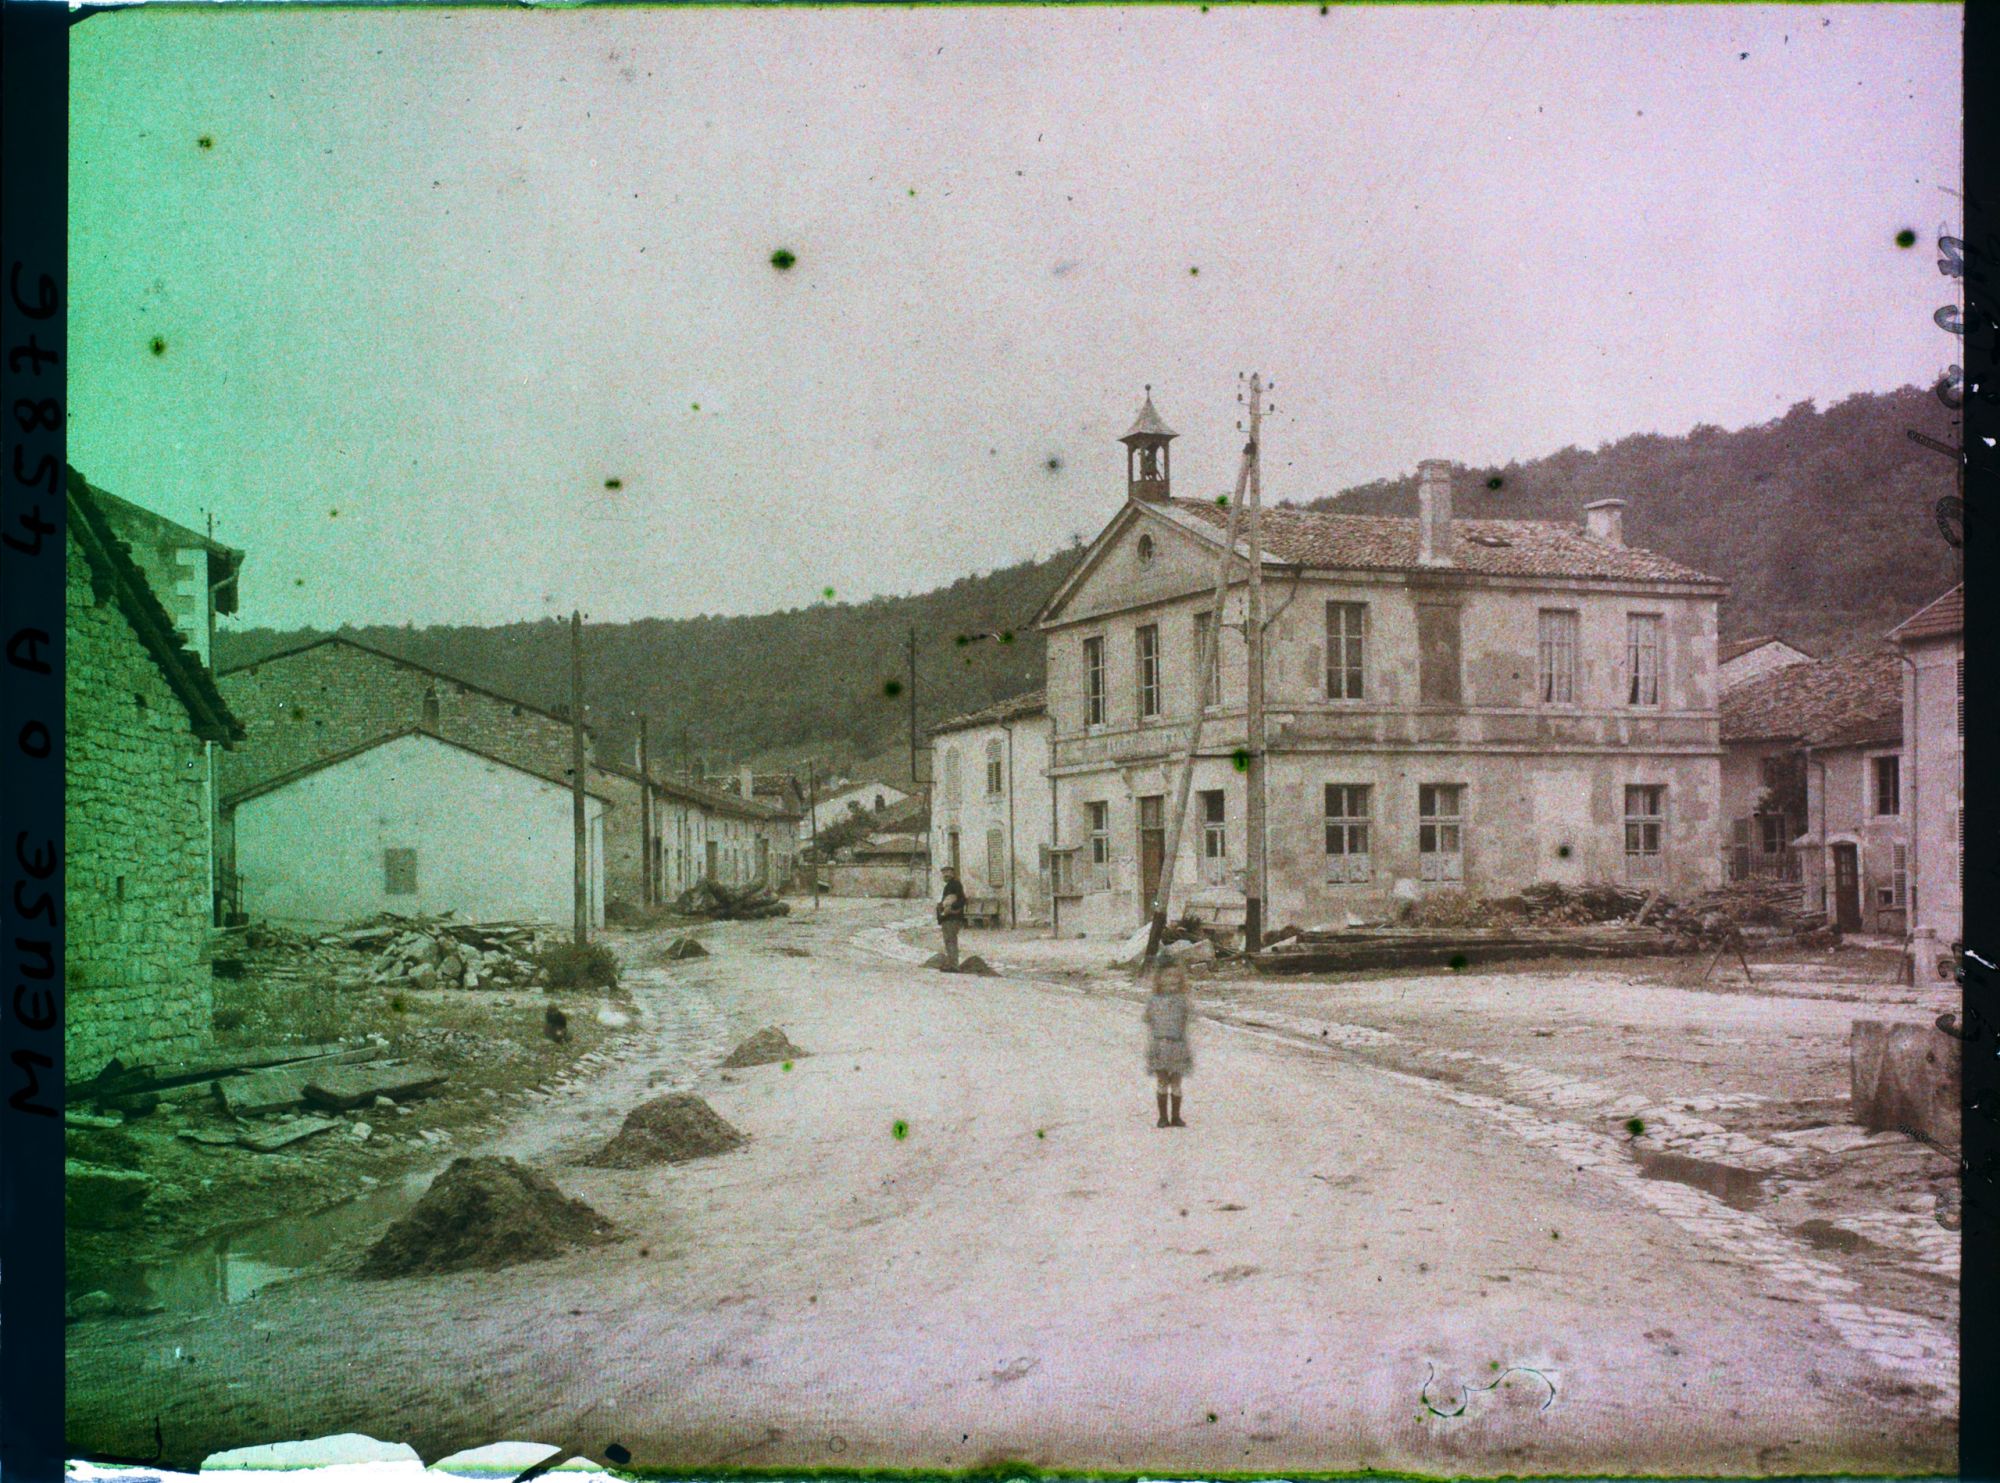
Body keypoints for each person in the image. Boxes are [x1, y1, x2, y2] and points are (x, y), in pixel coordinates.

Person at [1144, 963, 1194, 1127]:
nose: (1171, 980)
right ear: (1159, 980)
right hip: (1160, 1044)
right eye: (1167, 976)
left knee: (1177, 1082)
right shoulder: (1153, 1001)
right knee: (1162, 1081)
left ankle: (1176, 1116)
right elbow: (1149, 1020)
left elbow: (1187, 1020)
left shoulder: (1183, 1001)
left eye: (1175, 977)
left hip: (1178, 1045)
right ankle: (1163, 1117)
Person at [936, 866, 967, 971]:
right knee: (949, 940)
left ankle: (954, 965)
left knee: (950, 940)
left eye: (948, 873)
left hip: (952, 917)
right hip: (948, 917)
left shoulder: (956, 884)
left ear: (953, 874)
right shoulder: (949, 886)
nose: (945, 875)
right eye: (944, 873)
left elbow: (962, 900)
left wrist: (951, 908)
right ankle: (951, 964)